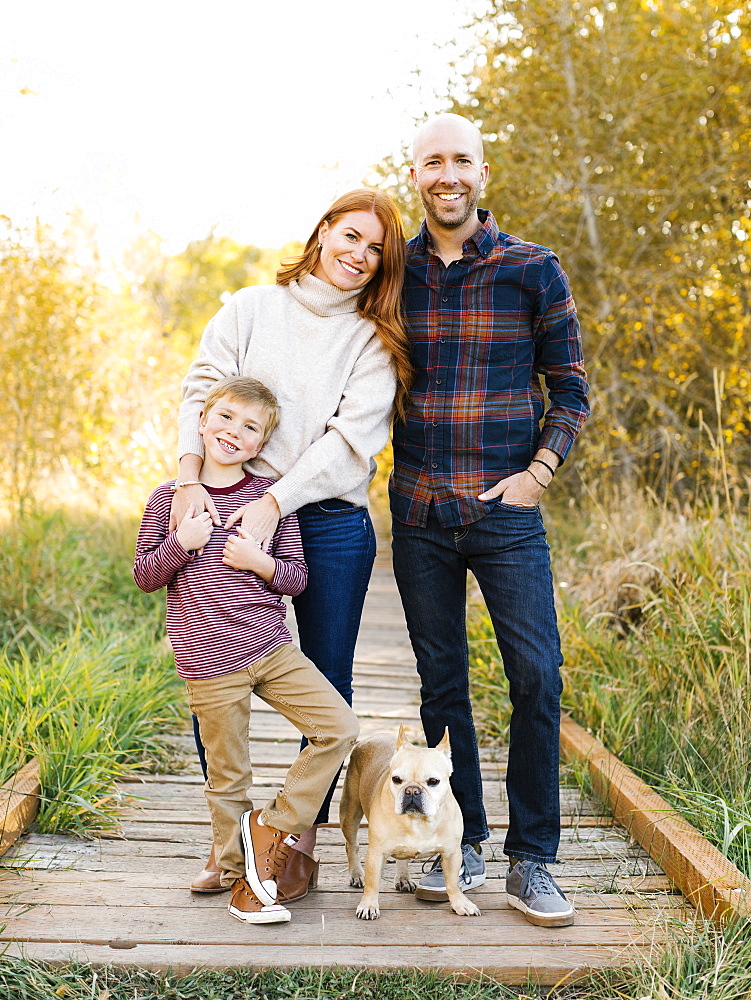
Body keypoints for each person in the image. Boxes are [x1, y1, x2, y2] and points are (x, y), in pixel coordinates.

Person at [170, 189, 411, 899]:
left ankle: (292, 840)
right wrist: (190, 479)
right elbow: (200, 391)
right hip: (228, 509)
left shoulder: (372, 338)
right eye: (350, 236)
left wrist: (277, 500)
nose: (358, 256)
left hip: (328, 521)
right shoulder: (249, 308)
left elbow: (351, 442)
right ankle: (231, 841)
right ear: (323, 231)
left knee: (327, 683)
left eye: (375, 251)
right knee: (216, 672)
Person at [389, 114, 590, 928]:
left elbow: (570, 391)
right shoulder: (387, 273)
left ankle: (530, 861)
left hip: (505, 511)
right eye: (432, 161)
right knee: (443, 688)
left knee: (536, 678)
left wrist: (537, 475)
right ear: (415, 175)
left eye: (460, 161)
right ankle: (459, 843)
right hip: (417, 512)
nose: (447, 175)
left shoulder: (531, 269)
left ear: (482, 172)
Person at [134, 376, 360, 924]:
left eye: (250, 427)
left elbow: (296, 577)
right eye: (226, 419)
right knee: (228, 778)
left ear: (260, 445)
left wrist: (261, 564)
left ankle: (275, 826)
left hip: (271, 649)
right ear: (203, 422)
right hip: (206, 662)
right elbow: (145, 576)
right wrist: (179, 545)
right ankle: (243, 885)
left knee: (339, 727)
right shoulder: (170, 499)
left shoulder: (267, 499)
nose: (234, 432)